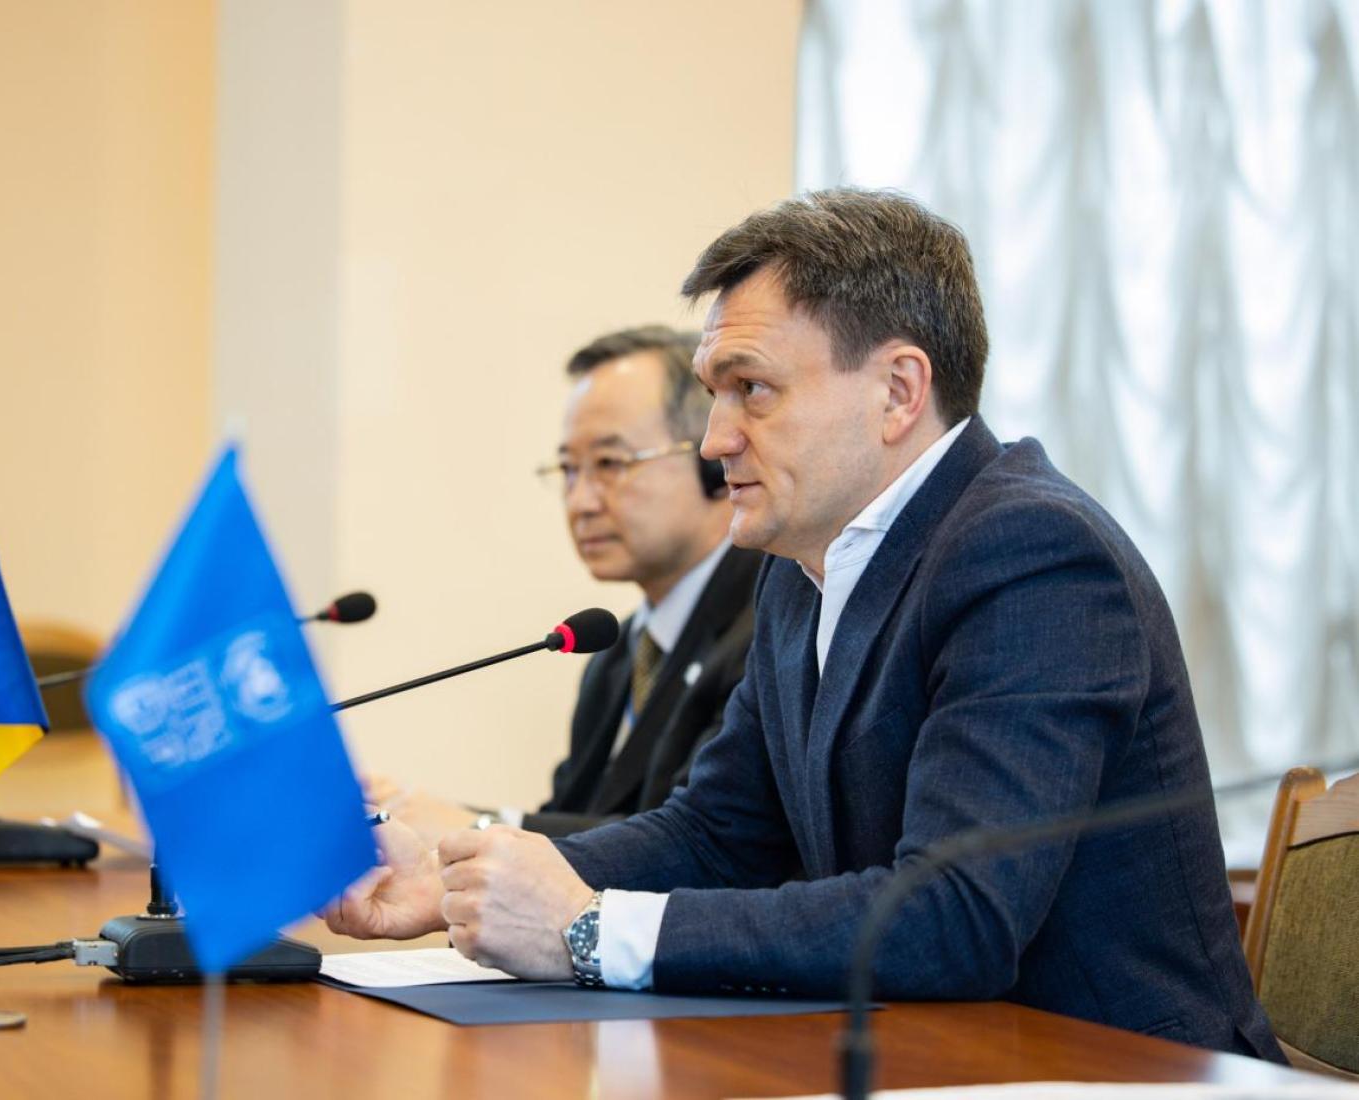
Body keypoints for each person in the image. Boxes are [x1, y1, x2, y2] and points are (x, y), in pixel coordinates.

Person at [326, 188, 1280, 1058]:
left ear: (898, 391)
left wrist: (587, 929)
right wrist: (457, 877)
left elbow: (955, 918)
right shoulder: (798, 572)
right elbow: (717, 836)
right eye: (714, 391)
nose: (715, 439)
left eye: (753, 389)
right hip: (934, 1058)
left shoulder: (1032, 553)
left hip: (1117, 1070)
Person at [369, 327, 762, 845]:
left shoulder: (765, 627)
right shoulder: (615, 653)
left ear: (710, 462)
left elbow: (699, 843)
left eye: (610, 464)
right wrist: (423, 823)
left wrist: (475, 825)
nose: (581, 502)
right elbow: (572, 820)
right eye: (569, 470)